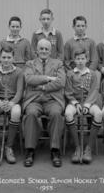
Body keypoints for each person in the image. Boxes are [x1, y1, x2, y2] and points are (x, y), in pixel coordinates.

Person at [23, 38, 66, 167]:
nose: (43, 51)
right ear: (36, 50)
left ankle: (55, 150)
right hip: (34, 99)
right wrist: (48, 78)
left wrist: (43, 87)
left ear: (50, 51)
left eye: (46, 49)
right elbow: (29, 79)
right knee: (30, 114)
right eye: (41, 48)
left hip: (52, 99)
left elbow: (60, 82)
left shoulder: (58, 63)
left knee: (56, 114)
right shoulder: (30, 64)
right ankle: (30, 150)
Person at [65, 48, 102, 164]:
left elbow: (94, 90)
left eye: (82, 58)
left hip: (89, 102)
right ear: (74, 60)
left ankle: (88, 148)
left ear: (87, 60)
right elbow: (68, 91)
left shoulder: (92, 74)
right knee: (68, 113)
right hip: (74, 101)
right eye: (78, 59)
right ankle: (77, 147)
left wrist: (87, 104)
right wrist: (75, 103)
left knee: (98, 113)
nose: (80, 61)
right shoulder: (70, 73)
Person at [0, 46, 24, 164]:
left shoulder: (19, 72)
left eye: (9, 57)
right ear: (0, 57)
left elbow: (20, 92)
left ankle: (9, 147)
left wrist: (12, 102)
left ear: (13, 58)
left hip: (13, 101)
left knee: (16, 112)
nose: (6, 60)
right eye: (4, 57)